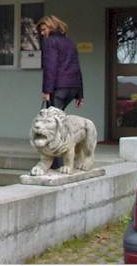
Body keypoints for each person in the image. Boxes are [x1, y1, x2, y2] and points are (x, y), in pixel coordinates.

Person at [37, 15, 84, 169]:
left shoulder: (50, 41)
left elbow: (50, 67)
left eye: (43, 29)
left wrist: (46, 90)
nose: (42, 33)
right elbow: (77, 67)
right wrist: (80, 94)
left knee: (52, 124)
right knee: (60, 121)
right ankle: (65, 155)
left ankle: (55, 161)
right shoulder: (69, 42)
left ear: (51, 27)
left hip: (59, 88)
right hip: (72, 87)